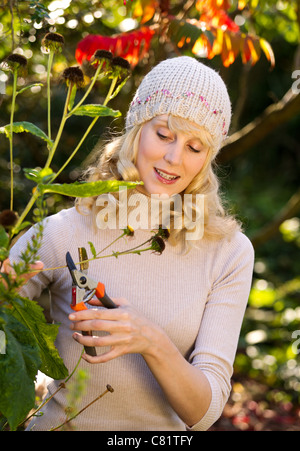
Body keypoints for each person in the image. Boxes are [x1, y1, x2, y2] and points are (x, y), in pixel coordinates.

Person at [7, 56, 254, 431]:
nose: (174, 159)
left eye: (195, 147)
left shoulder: (229, 252)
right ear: (137, 129)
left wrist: (151, 341)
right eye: (164, 134)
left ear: (208, 158)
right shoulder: (64, 231)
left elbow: (204, 413)